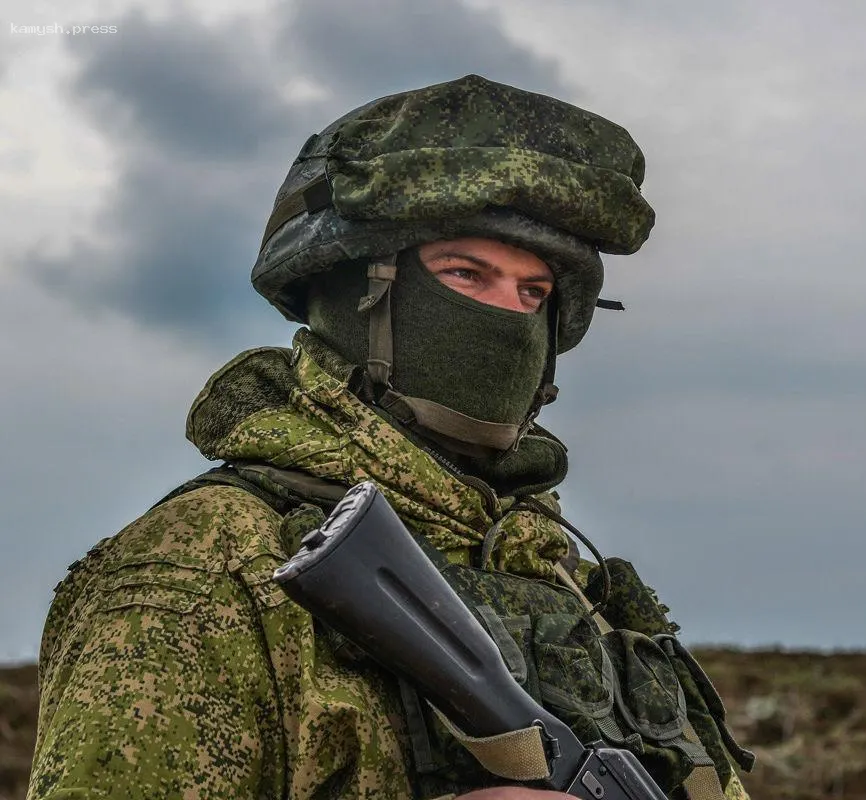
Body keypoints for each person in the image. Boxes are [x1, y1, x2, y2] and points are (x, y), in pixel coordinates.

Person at [28, 75, 754, 800]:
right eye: (466, 274)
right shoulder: (206, 564)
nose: (508, 318)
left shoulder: (560, 573)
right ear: (358, 292)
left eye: (533, 293)